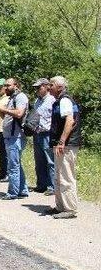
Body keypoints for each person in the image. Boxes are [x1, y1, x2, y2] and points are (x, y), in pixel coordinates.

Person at [47, 76, 81, 219]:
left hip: (66, 145)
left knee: (66, 177)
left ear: (60, 87)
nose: (49, 87)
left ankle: (70, 209)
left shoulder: (65, 100)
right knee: (59, 176)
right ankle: (61, 206)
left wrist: (61, 141)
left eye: (52, 85)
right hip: (61, 145)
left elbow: (70, 121)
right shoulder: (59, 101)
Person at [0, 78, 29, 200]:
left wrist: (2, 109)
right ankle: (22, 190)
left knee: (13, 165)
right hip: (10, 135)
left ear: (16, 85)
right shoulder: (12, 98)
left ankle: (12, 193)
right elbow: (6, 114)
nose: (5, 88)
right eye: (5, 85)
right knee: (16, 164)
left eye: (8, 85)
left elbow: (19, 113)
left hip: (16, 136)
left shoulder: (20, 97)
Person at [31, 78, 56, 196]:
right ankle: (41, 185)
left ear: (46, 86)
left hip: (47, 133)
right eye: (36, 88)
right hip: (37, 133)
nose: (37, 90)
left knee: (50, 161)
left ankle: (52, 186)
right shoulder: (37, 101)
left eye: (39, 87)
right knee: (39, 160)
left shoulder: (52, 100)